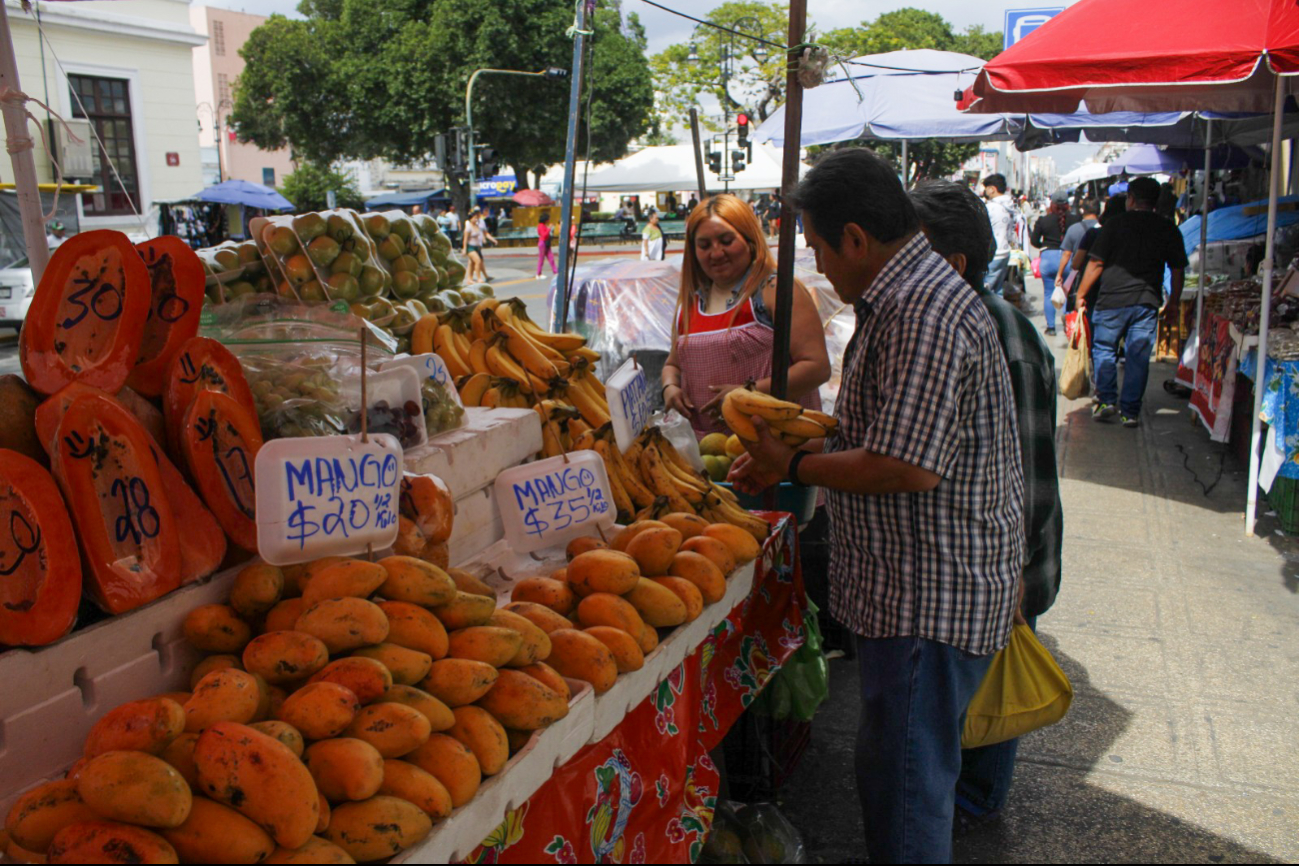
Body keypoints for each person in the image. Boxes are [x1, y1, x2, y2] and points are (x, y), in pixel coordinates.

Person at [729, 149, 1024, 864]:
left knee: (908, 784)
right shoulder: (907, 297)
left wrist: (792, 462)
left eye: (822, 247)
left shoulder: (921, 313)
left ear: (856, 238)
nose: (821, 267)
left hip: (928, 593)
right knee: (896, 767)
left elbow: (907, 467)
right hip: (919, 584)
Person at [909, 179, 1064, 826]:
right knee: (975, 688)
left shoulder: (996, 338)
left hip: (1005, 560)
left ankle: (973, 807)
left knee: (989, 692)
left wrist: (1016, 578)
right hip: (997, 558)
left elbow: (1025, 474)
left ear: (951, 265)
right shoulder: (977, 324)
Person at [660, 192, 830, 440]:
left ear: (750, 240)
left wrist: (747, 394)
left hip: (776, 446)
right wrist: (670, 387)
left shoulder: (776, 291)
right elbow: (673, 364)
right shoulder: (691, 303)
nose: (716, 253)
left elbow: (816, 368)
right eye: (704, 245)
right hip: (708, 452)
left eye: (727, 241)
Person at [1076, 176, 1187, 427]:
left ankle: (1106, 400)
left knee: (1104, 350)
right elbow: (1178, 269)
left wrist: (1081, 293)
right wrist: (1174, 303)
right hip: (1147, 302)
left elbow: (1096, 263)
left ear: (1131, 199)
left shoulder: (1114, 225)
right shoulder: (1167, 227)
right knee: (1138, 356)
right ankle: (1130, 412)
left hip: (1111, 300)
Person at [1031, 191, 1080, 337]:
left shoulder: (1043, 220)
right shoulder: (1076, 219)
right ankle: (1068, 325)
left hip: (1048, 258)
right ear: (1067, 204)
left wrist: (1044, 245)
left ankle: (1051, 327)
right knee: (1067, 292)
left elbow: (1034, 241)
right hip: (1068, 257)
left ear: (1051, 204)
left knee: (1048, 293)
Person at [981, 174, 1016, 296]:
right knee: (998, 290)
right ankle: (1001, 314)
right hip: (1005, 252)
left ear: (992, 189)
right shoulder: (1010, 206)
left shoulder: (990, 207)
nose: (985, 191)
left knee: (987, 291)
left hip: (993, 254)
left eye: (986, 188)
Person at [1057, 198, 1099, 297]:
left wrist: (1059, 274)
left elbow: (1067, 254)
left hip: (1080, 274)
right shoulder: (1104, 227)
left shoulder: (1073, 229)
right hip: (1100, 275)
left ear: (1082, 210)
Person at [461, 207, 496, 283]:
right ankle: (479, 277)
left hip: (478, 246)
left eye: (476, 217)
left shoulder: (478, 224)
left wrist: (485, 239)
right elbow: (465, 239)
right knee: (478, 261)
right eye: (474, 218)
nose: (476, 219)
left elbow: (483, 233)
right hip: (470, 247)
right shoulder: (468, 226)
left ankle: (469, 279)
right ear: (470, 218)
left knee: (472, 263)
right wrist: (464, 249)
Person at [535, 211, 557, 278]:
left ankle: (555, 271)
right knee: (541, 258)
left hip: (546, 243)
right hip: (543, 243)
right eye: (548, 219)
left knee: (551, 257)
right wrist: (549, 228)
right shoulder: (541, 226)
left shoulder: (543, 226)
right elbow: (544, 235)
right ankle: (538, 273)